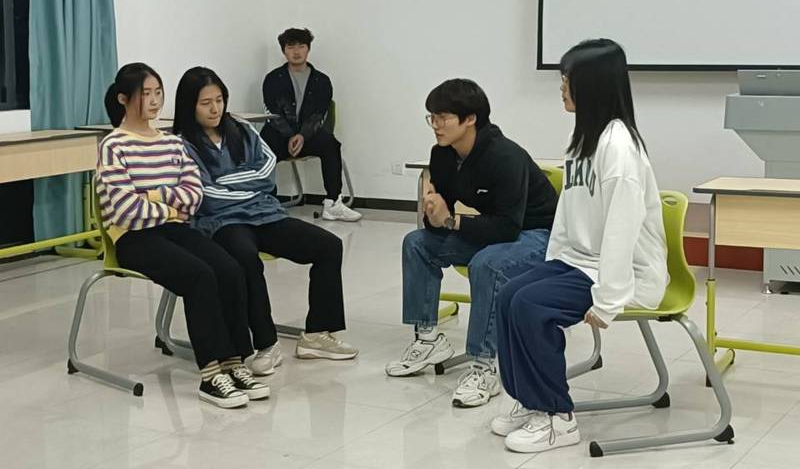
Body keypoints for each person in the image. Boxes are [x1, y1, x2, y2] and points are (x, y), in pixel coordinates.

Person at [491, 39, 669, 453]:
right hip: (580, 262)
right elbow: (568, 216)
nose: (561, 88)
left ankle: (557, 417)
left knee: (531, 306)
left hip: (624, 273)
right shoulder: (583, 139)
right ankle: (528, 399)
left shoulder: (619, 148)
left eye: (567, 79)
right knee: (510, 294)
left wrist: (608, 300)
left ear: (593, 86)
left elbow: (622, 231)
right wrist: (552, 265)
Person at [96, 63, 269, 409]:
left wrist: (153, 197)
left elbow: (194, 194)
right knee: (199, 275)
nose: (154, 100)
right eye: (145, 94)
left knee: (230, 268)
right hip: (133, 239)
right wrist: (169, 206)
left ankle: (234, 362)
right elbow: (123, 209)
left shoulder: (172, 143)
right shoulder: (113, 145)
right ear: (123, 99)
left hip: (175, 229)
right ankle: (211, 374)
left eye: (158, 92)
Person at [385, 79, 559, 408]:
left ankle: (484, 365)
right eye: (432, 117)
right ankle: (428, 340)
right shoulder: (442, 154)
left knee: (487, 264)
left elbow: (508, 228)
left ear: (470, 119)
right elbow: (441, 220)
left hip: (539, 235)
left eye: (443, 117)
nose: (435, 125)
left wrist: (452, 221)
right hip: (497, 231)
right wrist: (433, 211)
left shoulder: (505, 156)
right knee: (417, 243)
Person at [173, 66, 359, 369]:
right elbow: (204, 192)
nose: (215, 108)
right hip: (222, 221)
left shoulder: (242, 129)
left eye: (219, 100)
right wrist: (246, 186)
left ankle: (317, 335)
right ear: (189, 105)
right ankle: (266, 344)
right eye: (206, 103)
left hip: (265, 214)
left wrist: (229, 183)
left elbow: (267, 170)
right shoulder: (182, 144)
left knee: (328, 246)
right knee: (245, 258)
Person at [260, 27, 361, 222]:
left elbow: (319, 114)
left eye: (301, 46)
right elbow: (272, 113)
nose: (296, 51)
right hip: (280, 134)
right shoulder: (273, 79)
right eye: (291, 47)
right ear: (283, 51)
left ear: (308, 49)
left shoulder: (322, 81)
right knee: (262, 145)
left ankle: (333, 203)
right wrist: (290, 135)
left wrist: (302, 136)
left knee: (331, 144)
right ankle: (268, 202)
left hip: (308, 135)